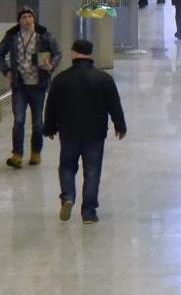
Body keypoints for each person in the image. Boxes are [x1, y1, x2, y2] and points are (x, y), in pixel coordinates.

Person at [43, 38, 127, 224]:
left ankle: (67, 197)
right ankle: (88, 212)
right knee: (92, 171)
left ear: (73, 53)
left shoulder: (61, 79)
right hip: (95, 132)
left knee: (66, 167)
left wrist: (49, 126)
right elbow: (114, 104)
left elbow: (51, 106)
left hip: (69, 131)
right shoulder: (104, 79)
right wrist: (120, 125)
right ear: (91, 54)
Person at [0, 6, 61, 169]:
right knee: (19, 120)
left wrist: (51, 66)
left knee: (37, 122)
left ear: (34, 19)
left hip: (38, 85)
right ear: (19, 21)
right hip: (20, 86)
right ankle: (17, 154)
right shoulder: (12, 36)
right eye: (24, 17)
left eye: (30, 16)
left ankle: (36, 152)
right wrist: (6, 71)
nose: (27, 20)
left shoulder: (44, 35)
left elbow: (57, 53)